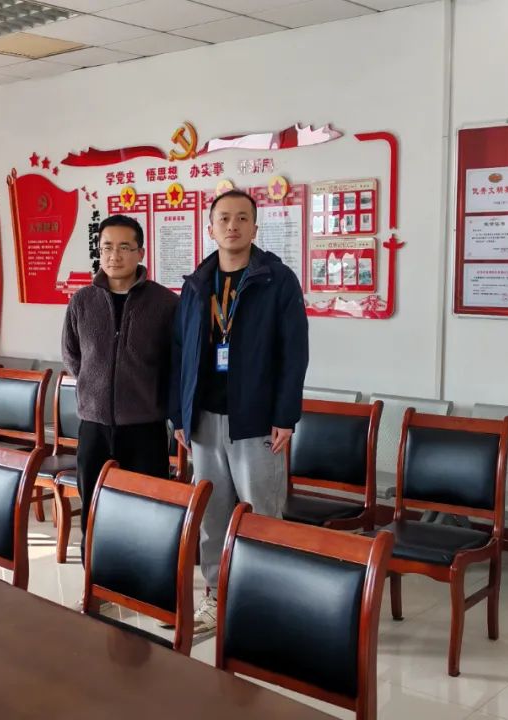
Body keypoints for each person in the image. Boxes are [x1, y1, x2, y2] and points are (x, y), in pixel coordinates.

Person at [170, 190, 309, 634]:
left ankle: (267, 600)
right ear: (210, 228)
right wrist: (180, 416)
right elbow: (180, 354)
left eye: (242, 218)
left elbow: (294, 353)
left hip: (257, 419)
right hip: (204, 419)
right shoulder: (196, 283)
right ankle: (216, 595)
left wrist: (285, 415)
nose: (233, 226)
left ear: (255, 227)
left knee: (261, 513)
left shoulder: (277, 280)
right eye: (224, 218)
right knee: (212, 514)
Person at [62, 215, 178, 564]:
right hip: (94, 426)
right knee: (94, 507)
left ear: (140, 252)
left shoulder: (165, 303)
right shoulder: (82, 301)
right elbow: (72, 355)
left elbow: (174, 363)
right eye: (107, 247)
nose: (114, 255)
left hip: (145, 427)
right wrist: (97, 388)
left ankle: (145, 580)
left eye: (124, 247)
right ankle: (93, 575)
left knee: (147, 509)